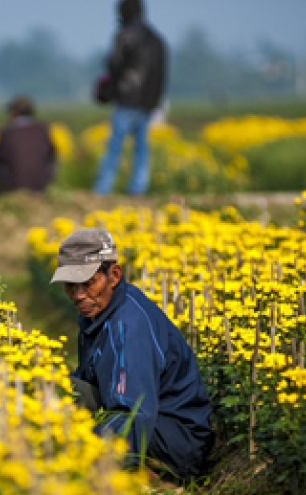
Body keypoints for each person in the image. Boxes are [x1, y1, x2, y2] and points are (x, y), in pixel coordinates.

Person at [50, 227, 212, 483]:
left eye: (88, 282)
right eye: (71, 285)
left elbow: (132, 414)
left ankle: (152, 481)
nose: (78, 295)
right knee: (57, 390)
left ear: (113, 276)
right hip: (153, 422)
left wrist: (87, 460)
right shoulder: (99, 312)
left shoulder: (128, 326)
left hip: (174, 445)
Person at [93, 0, 167, 196]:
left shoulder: (126, 35)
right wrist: (155, 100)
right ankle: (138, 188)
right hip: (148, 100)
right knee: (141, 149)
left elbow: (113, 63)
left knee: (114, 146)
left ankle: (103, 188)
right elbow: (161, 73)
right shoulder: (156, 38)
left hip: (127, 97)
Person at [0, 95, 56, 193]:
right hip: (41, 188)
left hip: (14, 187)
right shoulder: (43, 131)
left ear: (14, 113)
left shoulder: (6, 134)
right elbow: (52, 156)